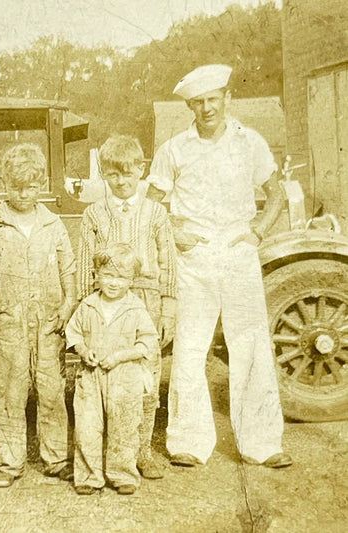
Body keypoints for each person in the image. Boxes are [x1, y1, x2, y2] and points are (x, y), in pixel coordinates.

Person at [147, 64, 292, 468]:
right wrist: (175, 233)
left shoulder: (251, 142)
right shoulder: (174, 148)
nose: (207, 108)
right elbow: (151, 204)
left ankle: (262, 443)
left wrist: (258, 231)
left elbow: (275, 193)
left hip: (238, 248)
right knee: (191, 346)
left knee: (251, 343)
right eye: (198, 102)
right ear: (189, 106)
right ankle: (188, 443)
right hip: (193, 256)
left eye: (213, 99)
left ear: (227, 97)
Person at [0, 143, 77, 488]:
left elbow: (68, 270)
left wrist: (68, 304)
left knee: (52, 391)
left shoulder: (53, 224)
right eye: (16, 186)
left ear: (41, 183)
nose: (24, 193)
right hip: (9, 323)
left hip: (49, 324)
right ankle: (10, 461)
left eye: (31, 186)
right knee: (10, 394)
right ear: (4, 183)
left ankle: (56, 457)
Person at [77, 135, 176, 479]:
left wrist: (168, 306)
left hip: (146, 298)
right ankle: (109, 454)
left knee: (144, 377)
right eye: (113, 175)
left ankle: (141, 452)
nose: (121, 182)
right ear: (104, 174)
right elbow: (83, 265)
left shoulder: (156, 213)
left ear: (141, 171)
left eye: (128, 174)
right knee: (106, 377)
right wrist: (85, 309)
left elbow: (168, 261)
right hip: (105, 304)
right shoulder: (93, 214)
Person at [66, 243, 159, 495]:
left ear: (132, 280)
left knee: (124, 426)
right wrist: (84, 350)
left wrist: (121, 356)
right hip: (91, 376)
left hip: (125, 376)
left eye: (121, 277)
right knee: (87, 427)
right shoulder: (88, 305)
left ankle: (122, 473)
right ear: (96, 275)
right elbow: (72, 334)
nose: (114, 283)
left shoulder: (136, 307)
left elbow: (148, 342)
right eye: (108, 275)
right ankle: (88, 475)